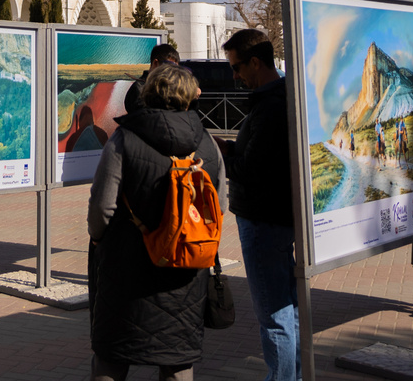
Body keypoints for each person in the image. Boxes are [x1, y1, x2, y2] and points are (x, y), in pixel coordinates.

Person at [87, 62, 224, 381]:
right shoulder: (208, 145)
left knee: (112, 358)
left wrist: (99, 239)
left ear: (147, 94)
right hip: (185, 269)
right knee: (177, 362)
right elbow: (218, 206)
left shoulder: (124, 140)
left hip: (126, 266)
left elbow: (102, 207)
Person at [214, 29, 300, 381]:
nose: (234, 76)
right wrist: (232, 149)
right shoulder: (280, 99)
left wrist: (220, 161)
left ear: (255, 62)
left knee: (273, 315)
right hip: (275, 217)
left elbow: (254, 170)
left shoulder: (270, 105)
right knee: (286, 308)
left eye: (237, 68)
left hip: (264, 221)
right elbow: (263, 159)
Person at [123, 43, 180, 113]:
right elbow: (148, 116)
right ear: (156, 63)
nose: (172, 73)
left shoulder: (165, 86)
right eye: (169, 67)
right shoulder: (139, 89)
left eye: (175, 69)